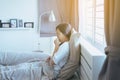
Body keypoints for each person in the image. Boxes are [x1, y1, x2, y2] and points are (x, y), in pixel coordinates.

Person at [0, 23, 72, 80]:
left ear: (65, 33)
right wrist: (51, 57)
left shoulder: (65, 46)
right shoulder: (63, 44)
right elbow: (53, 59)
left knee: (17, 72)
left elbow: (52, 63)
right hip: (46, 68)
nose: (57, 36)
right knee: (20, 67)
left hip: (50, 71)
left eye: (58, 34)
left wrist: (56, 46)